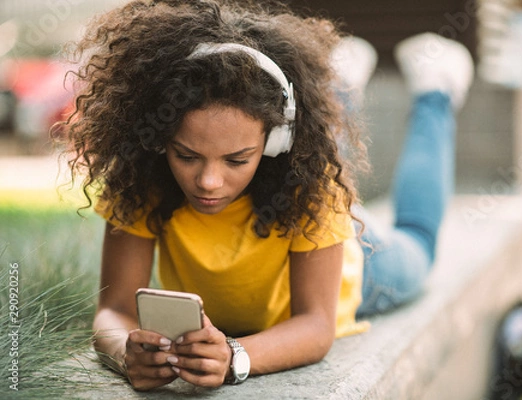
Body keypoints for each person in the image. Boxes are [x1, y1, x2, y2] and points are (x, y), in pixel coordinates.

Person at [60, 0, 473, 391]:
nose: (208, 181)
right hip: (300, 227)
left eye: (236, 160)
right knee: (318, 148)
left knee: (419, 242)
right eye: (186, 155)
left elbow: (315, 326)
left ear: (276, 143)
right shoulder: (141, 183)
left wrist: (236, 356)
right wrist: (124, 350)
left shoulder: (310, 188)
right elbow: (113, 309)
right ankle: (340, 85)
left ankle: (434, 91)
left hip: (358, 263)